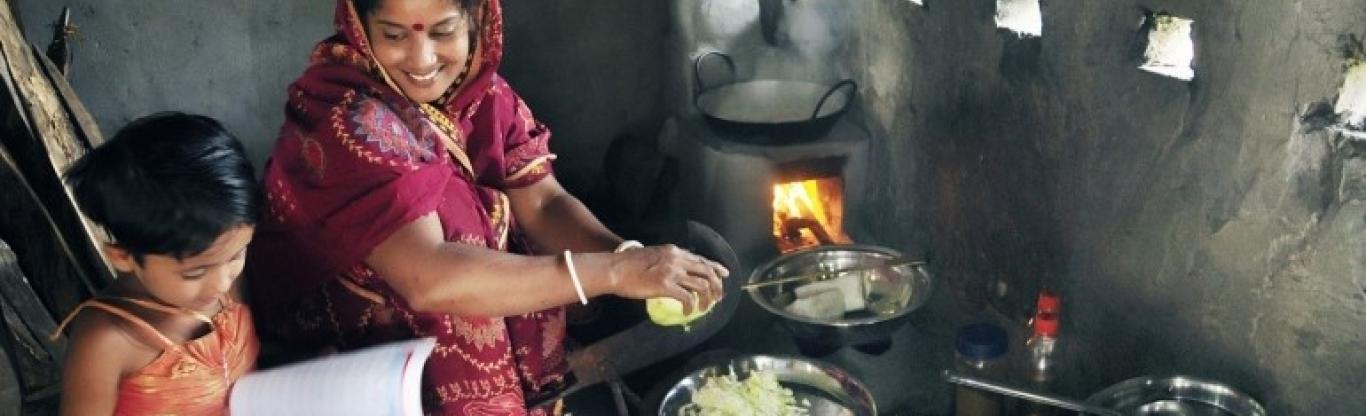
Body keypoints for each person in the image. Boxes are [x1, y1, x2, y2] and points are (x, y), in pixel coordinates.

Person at [245, 0, 729, 414]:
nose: (421, 58)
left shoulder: (481, 94)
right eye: (393, 34)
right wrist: (614, 273)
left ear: (477, 17)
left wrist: (627, 255)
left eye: (443, 31)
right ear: (359, 26)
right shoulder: (344, 122)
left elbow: (542, 202)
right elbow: (429, 278)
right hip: (374, 377)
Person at [53, 112, 262, 415]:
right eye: (195, 272)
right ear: (123, 257)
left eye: (236, 256)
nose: (222, 284)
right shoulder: (106, 341)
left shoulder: (226, 283)